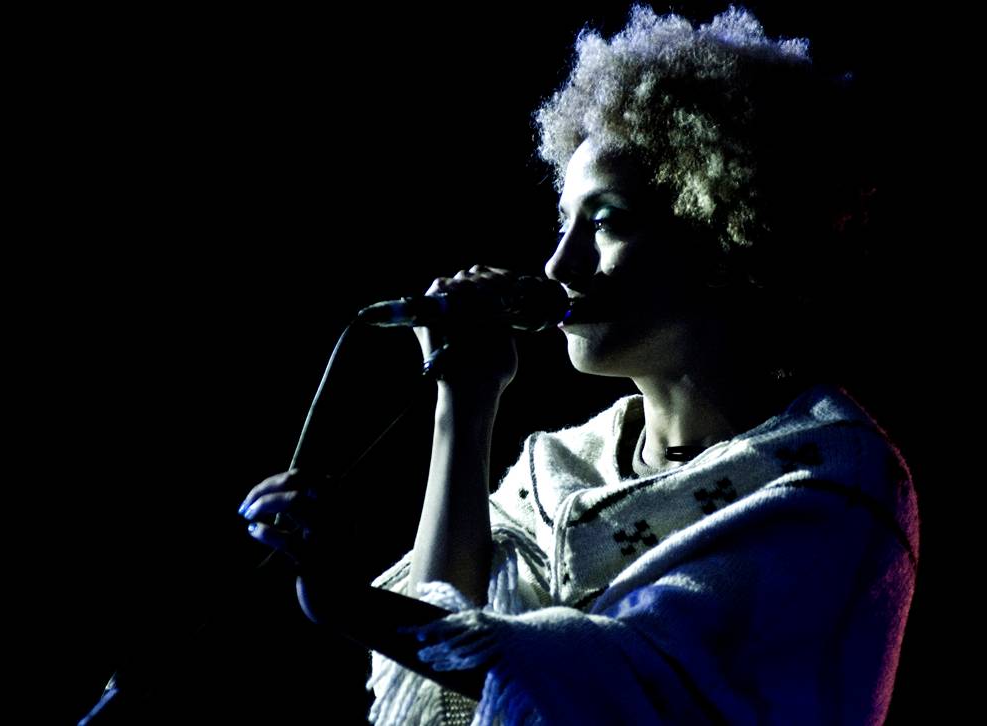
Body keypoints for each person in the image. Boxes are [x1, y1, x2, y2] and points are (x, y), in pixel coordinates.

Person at [239, 5, 919, 724]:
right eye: (563, 223)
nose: (559, 264)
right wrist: (463, 406)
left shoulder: (833, 483)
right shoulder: (556, 470)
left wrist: (347, 605)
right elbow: (428, 697)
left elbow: (621, 685)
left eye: (605, 222)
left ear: (727, 235)